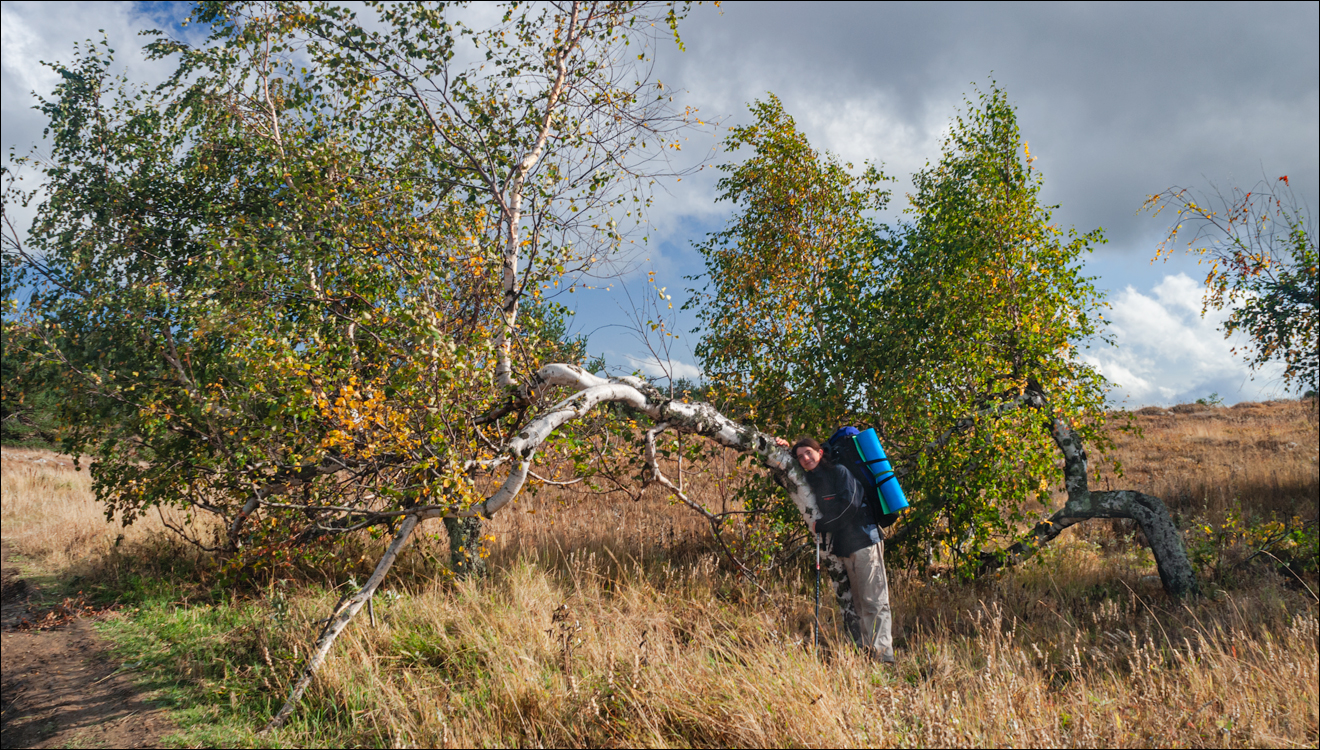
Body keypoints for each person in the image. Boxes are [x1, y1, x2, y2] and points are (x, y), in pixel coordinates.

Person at [778, 435, 895, 663]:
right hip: (845, 546)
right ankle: (866, 654)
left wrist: (823, 525)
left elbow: (850, 505)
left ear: (820, 452)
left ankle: (884, 657)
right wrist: (779, 451)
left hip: (865, 541)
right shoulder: (812, 479)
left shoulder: (840, 472)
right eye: (800, 456)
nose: (805, 459)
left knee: (874, 601)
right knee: (859, 603)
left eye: (808, 453)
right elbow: (786, 479)